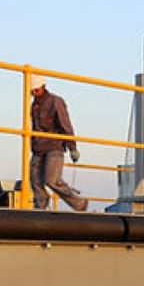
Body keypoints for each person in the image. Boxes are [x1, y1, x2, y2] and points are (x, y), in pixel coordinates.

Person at [30, 74, 88, 211]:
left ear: (43, 87)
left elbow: (65, 124)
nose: (34, 93)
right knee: (34, 181)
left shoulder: (55, 101)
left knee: (52, 180)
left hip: (54, 147)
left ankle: (79, 203)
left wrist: (72, 147)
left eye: (36, 90)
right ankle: (40, 208)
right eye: (32, 91)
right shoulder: (34, 105)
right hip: (39, 147)